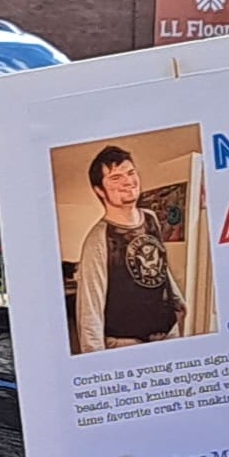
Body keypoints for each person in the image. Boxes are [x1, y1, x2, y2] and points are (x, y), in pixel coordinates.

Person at [68, 144, 185, 353]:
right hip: (126, 345)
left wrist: (178, 301)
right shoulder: (98, 239)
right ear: (99, 190)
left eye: (130, 173)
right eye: (115, 178)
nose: (128, 182)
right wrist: (96, 360)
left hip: (168, 334)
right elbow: (90, 308)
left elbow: (159, 265)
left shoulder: (150, 218)